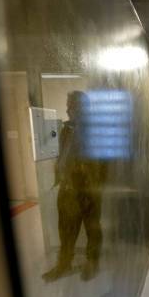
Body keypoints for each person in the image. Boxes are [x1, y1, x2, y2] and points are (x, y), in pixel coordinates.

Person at [42, 91, 106, 282]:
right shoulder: (67, 129)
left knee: (92, 228)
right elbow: (62, 155)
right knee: (65, 229)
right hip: (68, 187)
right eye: (68, 105)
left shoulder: (96, 130)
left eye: (72, 105)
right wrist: (60, 176)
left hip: (89, 189)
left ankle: (92, 263)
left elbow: (103, 162)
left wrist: (93, 185)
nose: (68, 109)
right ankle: (64, 264)